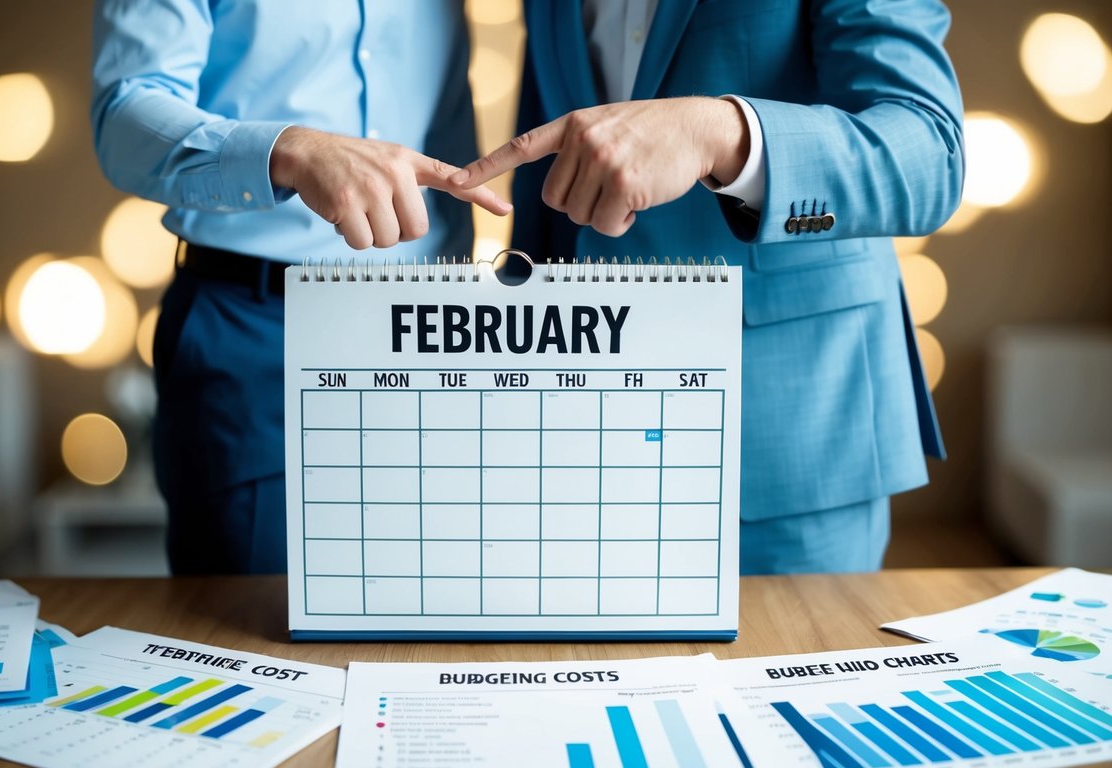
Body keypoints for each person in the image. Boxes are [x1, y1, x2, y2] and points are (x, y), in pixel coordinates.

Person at [453, 0, 964, 574]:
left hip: (789, 431)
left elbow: (930, 153)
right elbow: (554, 163)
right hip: (582, 442)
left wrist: (719, 133)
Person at [91, 0, 509, 574]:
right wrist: (290, 150)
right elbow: (122, 117)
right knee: (247, 634)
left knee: (444, 617)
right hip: (259, 336)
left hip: (440, 335)